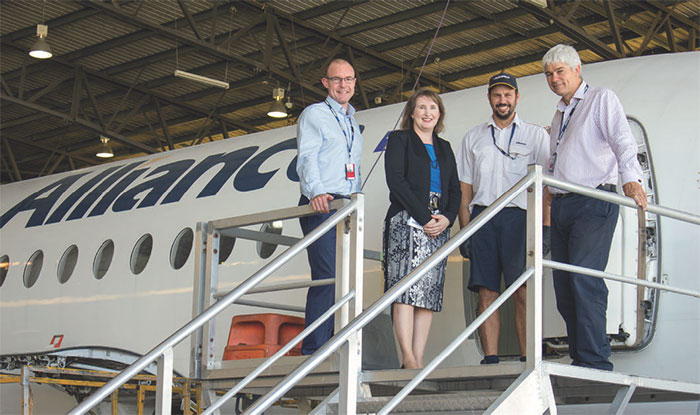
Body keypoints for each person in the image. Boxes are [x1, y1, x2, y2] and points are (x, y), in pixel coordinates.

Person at [541, 44, 647, 371]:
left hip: (593, 200)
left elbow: (622, 140)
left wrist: (631, 178)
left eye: (560, 71)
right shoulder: (560, 113)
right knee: (564, 287)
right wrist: (548, 187)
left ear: (577, 69)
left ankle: (596, 361)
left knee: (585, 280)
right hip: (563, 203)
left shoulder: (601, 99)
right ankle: (581, 356)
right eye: (549, 74)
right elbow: (560, 156)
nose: (555, 78)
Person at [456, 73, 550, 364]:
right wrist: (466, 230)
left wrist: (545, 228)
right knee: (486, 291)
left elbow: (546, 186)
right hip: (484, 217)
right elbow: (464, 189)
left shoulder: (536, 135)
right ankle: (491, 357)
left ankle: (527, 356)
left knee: (523, 289)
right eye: (497, 95)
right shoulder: (473, 137)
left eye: (508, 95)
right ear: (489, 99)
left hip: (519, 216)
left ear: (517, 98)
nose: (502, 100)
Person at [383, 88, 461, 369]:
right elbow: (396, 181)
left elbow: (454, 187)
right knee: (404, 289)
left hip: (438, 223)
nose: (427, 113)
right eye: (422, 107)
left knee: (428, 292)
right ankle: (407, 356)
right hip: (407, 218)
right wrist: (423, 215)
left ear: (439, 114)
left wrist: (448, 218)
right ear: (412, 113)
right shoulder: (399, 140)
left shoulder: (445, 147)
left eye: (433, 108)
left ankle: (419, 356)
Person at [296, 58, 363, 355]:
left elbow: (352, 166)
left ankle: (336, 344)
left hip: (346, 206)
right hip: (322, 203)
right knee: (326, 275)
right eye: (337, 80)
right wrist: (317, 192)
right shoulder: (315, 114)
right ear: (325, 83)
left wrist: (356, 197)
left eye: (348, 79)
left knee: (345, 279)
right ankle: (314, 349)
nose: (343, 85)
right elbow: (307, 156)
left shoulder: (351, 120)